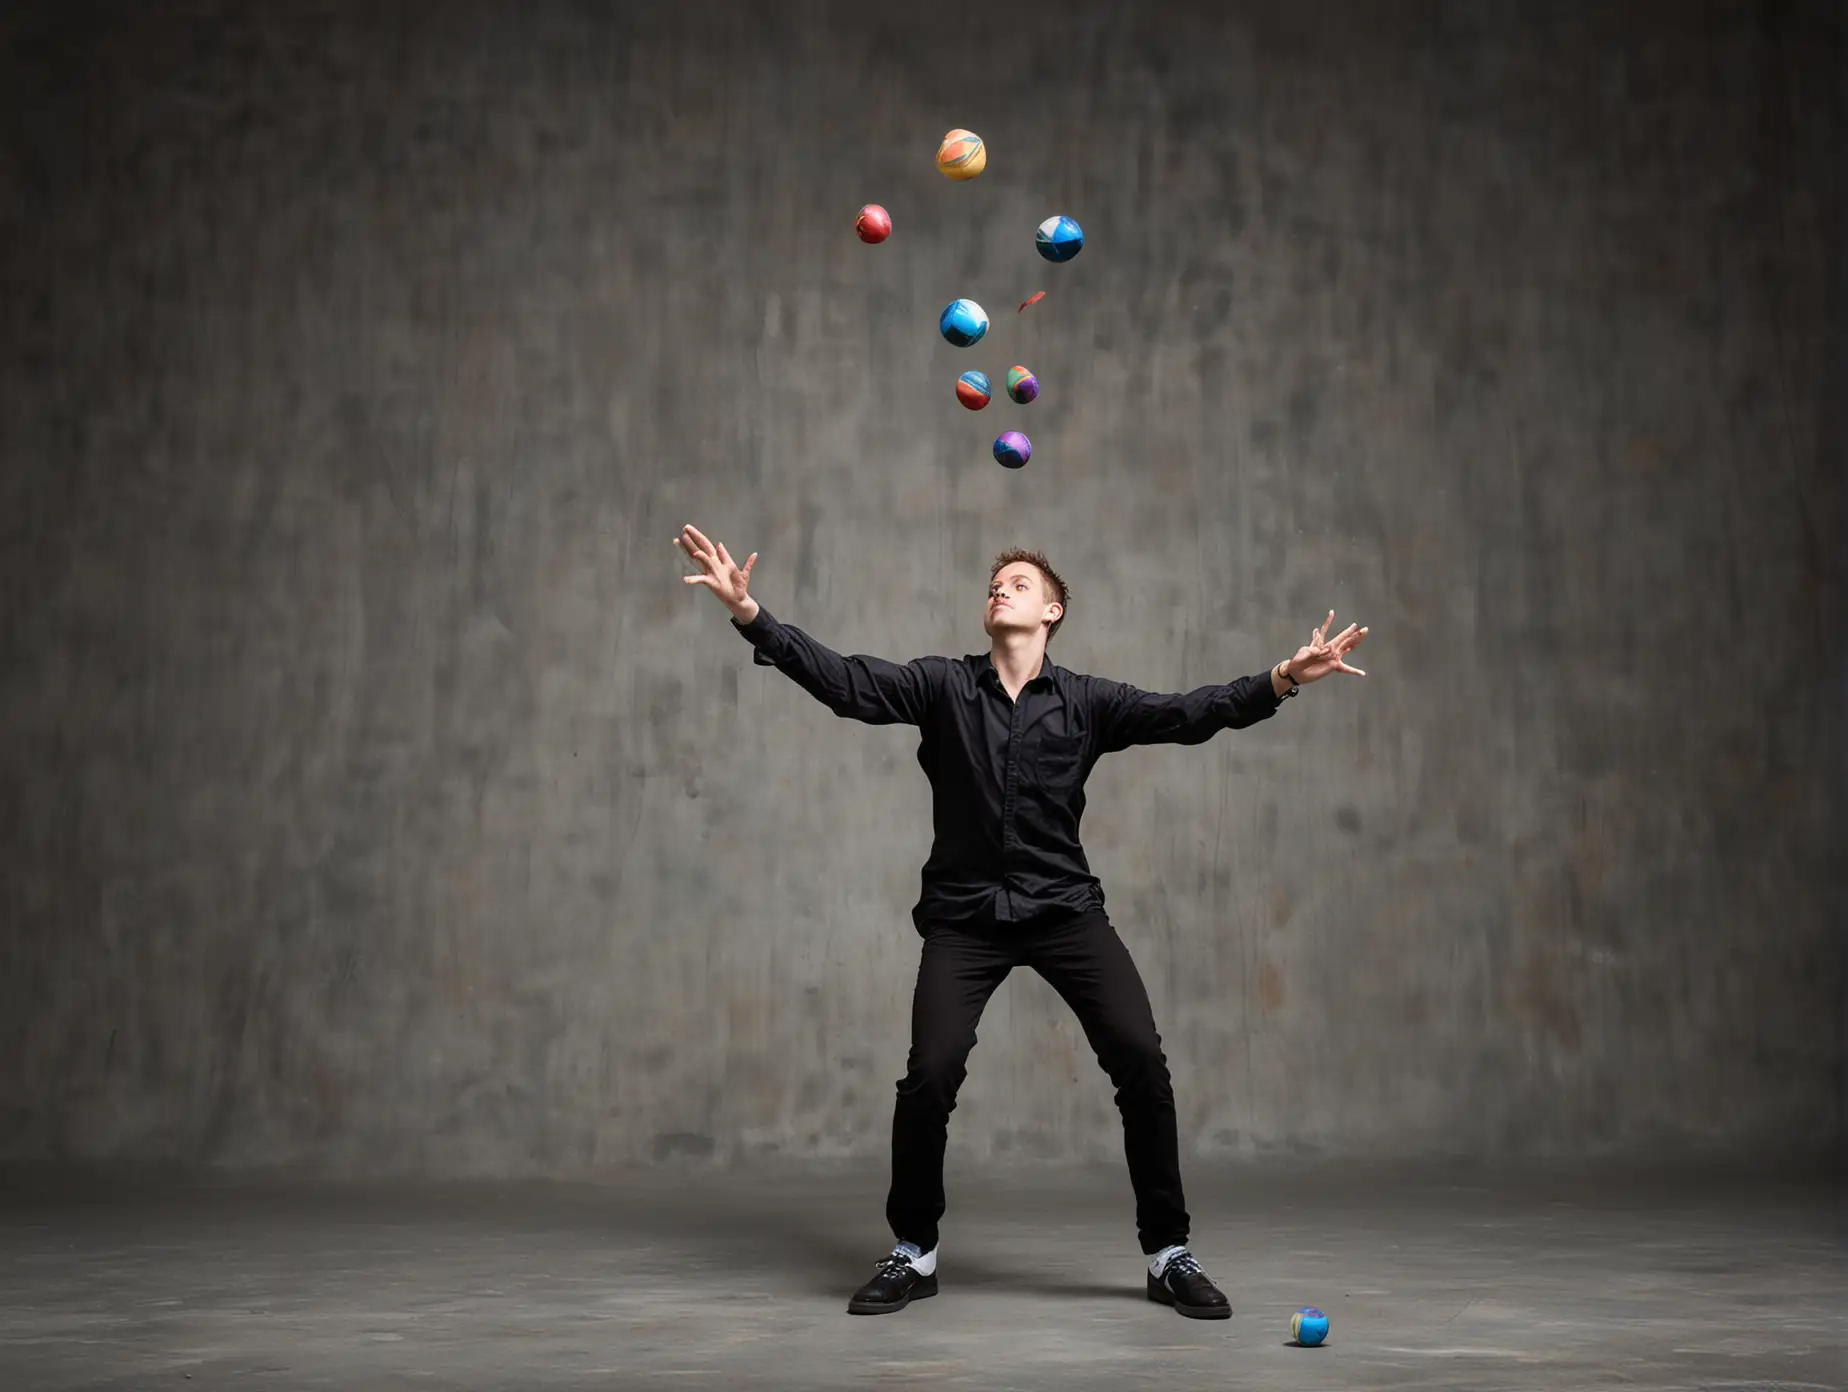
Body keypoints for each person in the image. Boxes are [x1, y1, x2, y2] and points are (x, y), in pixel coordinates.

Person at [673, 522, 1368, 1319]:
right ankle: (914, 1249)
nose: (1001, 587)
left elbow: (1190, 712)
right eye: (995, 581)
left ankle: (1168, 1251)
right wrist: (750, 614)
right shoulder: (941, 687)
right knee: (928, 1076)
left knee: (1141, 1058)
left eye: (1021, 583)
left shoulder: (1091, 703)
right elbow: (844, 683)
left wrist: (1285, 676)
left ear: (1053, 612)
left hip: (1063, 909)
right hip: (965, 918)